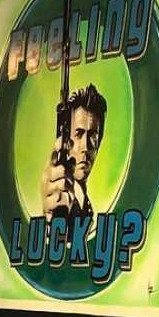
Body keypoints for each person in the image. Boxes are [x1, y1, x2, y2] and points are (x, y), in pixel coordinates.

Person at [41, 83, 107, 219]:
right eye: (78, 134)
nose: (86, 147)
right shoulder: (61, 197)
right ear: (66, 141)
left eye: (93, 136)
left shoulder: (85, 204)